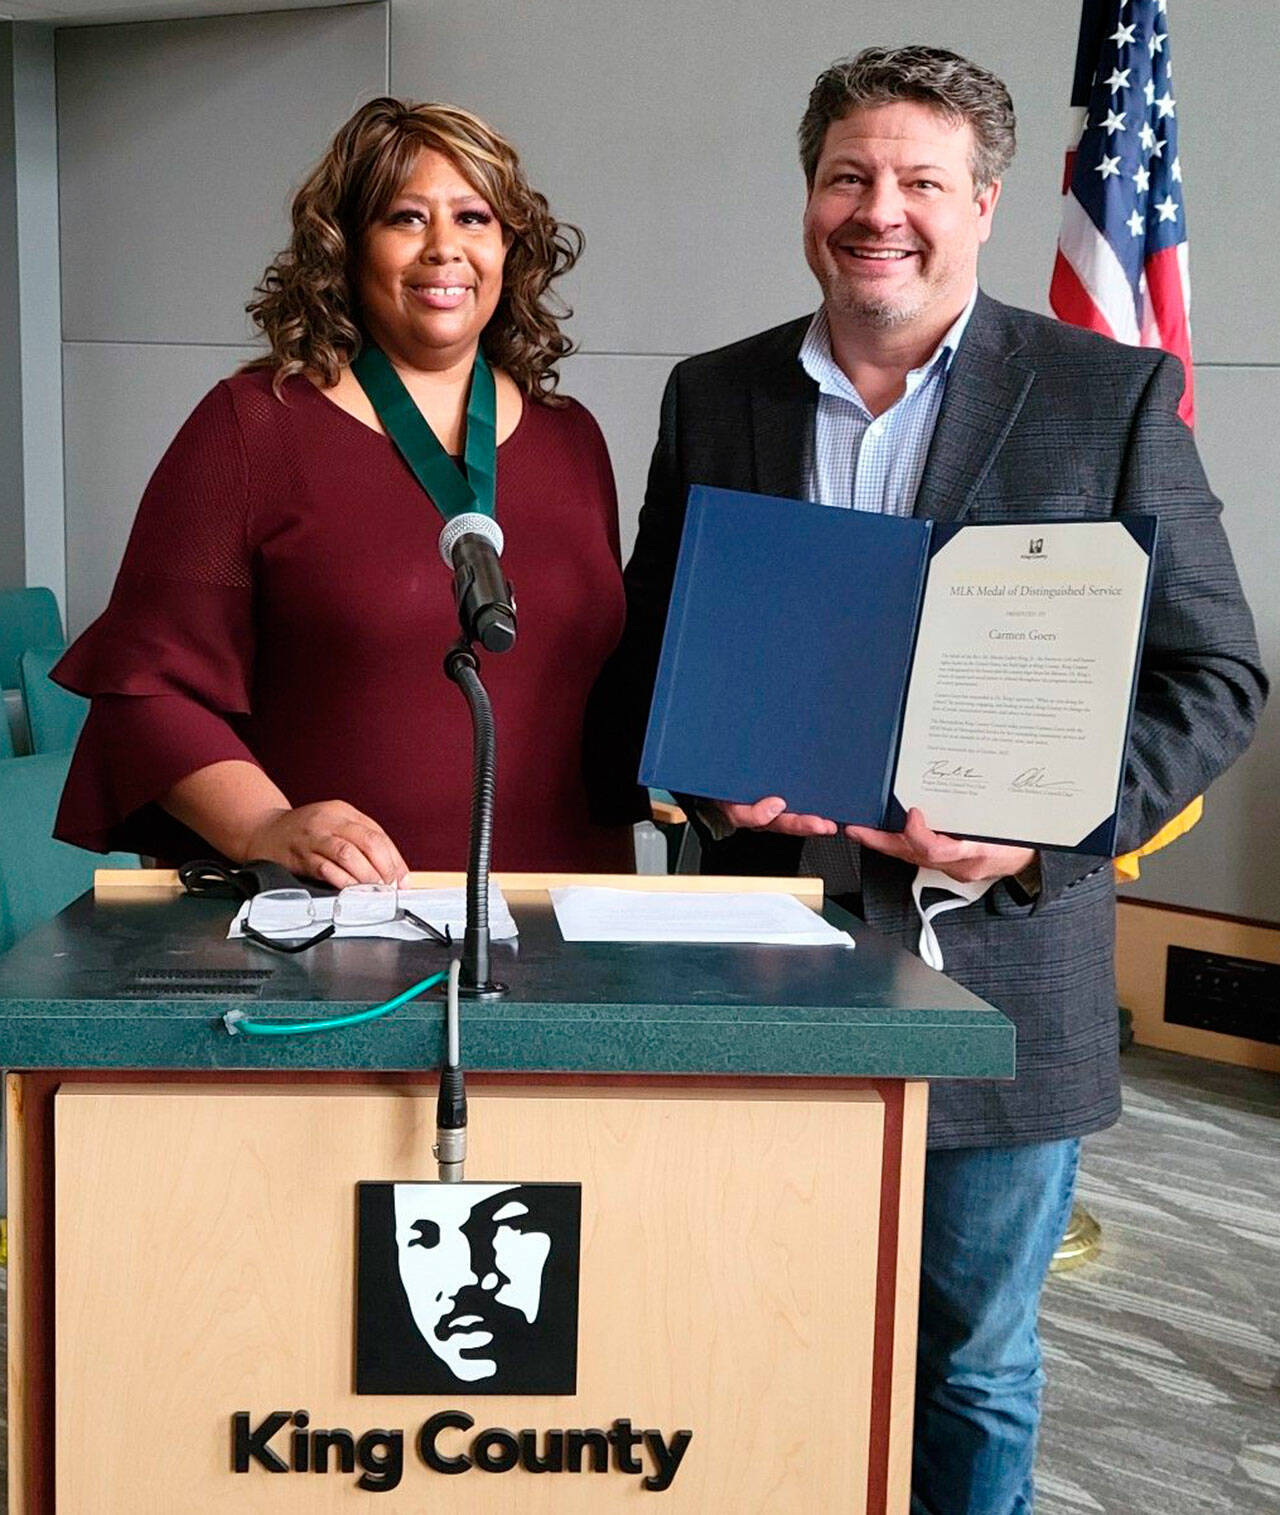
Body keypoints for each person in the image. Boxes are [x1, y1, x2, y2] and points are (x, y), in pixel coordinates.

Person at [587, 46, 1265, 1515]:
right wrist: (703, 786)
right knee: (748, 1327)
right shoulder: (716, 394)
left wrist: (1041, 839)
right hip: (758, 959)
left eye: (918, 182)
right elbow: (659, 653)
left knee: (969, 1362)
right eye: (847, 176)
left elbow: (1218, 677)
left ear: (984, 203)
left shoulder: (1110, 392)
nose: (877, 209)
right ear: (809, 194)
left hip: (1006, 970)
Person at [53, 98, 632, 883]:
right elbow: (147, 693)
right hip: (338, 925)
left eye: (472, 218)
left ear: (510, 246)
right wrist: (268, 823)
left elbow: (607, 691)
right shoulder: (253, 427)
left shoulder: (572, 439)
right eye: (404, 217)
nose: (444, 250)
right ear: (347, 249)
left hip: (566, 914)